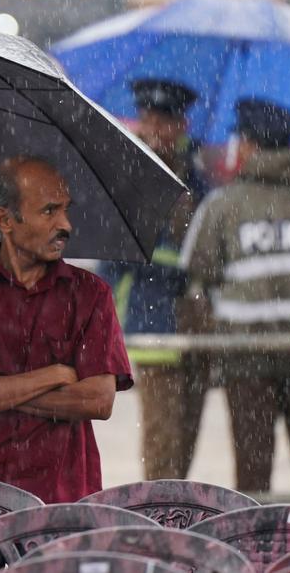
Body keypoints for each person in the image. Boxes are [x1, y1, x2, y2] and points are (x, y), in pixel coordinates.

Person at [181, 98, 290, 493]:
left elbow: (198, 268)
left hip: (247, 352)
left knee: (253, 465)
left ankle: (256, 541)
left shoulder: (224, 205)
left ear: (248, 145)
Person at [0, 156, 133, 502]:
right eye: (49, 211)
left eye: (65, 210)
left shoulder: (91, 295)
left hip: (63, 495)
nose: (66, 224)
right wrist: (55, 374)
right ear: (5, 219)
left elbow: (98, 400)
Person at [102, 78, 210, 481]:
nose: (155, 129)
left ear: (180, 125)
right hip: (152, 315)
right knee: (163, 432)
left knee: (188, 427)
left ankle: (176, 502)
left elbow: (204, 240)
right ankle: (163, 508)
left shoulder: (197, 176)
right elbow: (122, 253)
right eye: (148, 119)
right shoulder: (130, 175)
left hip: (196, 319)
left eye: (164, 121)